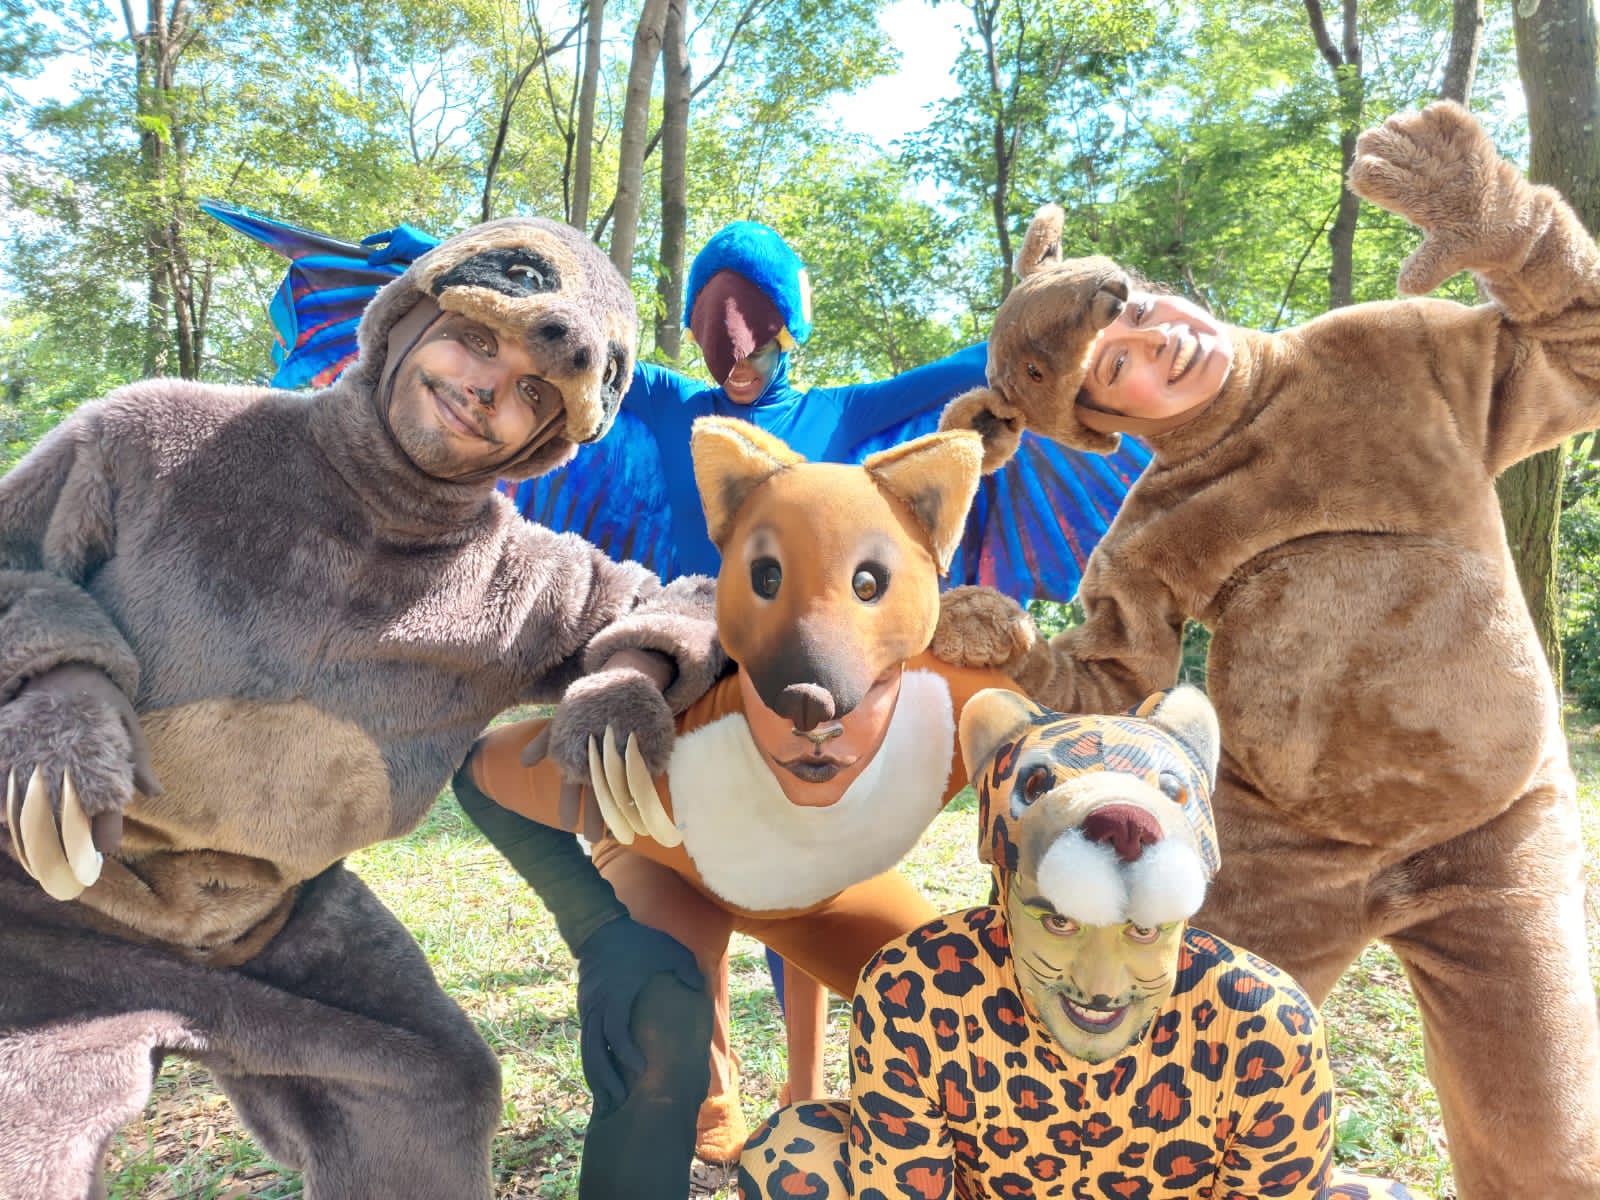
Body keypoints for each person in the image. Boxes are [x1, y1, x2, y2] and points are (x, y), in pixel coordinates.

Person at [937, 101, 1600, 1198]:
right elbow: (1107, 682)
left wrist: (1513, 233)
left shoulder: (1390, 353)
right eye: (1117, 363)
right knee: (1164, 1109)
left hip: (1493, 825)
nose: (1157, 338)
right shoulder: (1156, 520)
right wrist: (1013, 656)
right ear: (1107, 421)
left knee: (1551, 1155)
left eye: (1136, 308)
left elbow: (1586, 349)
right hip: (1281, 841)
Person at [0, 216, 728, 1200]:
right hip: (38, 896)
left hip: (273, 919)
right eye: (475, 340)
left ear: (549, 438)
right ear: (405, 320)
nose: (486, 389)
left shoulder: (525, 583)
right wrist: (53, 685)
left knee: (434, 1083)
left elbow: (699, 603)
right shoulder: (157, 436)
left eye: (530, 392)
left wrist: (632, 670)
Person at [739, 686, 1419, 1199]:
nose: (1101, 985)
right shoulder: (914, 992)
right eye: (1059, 921)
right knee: (795, 1151)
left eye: (1145, 931)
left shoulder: (1265, 1023)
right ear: (1003, 890)